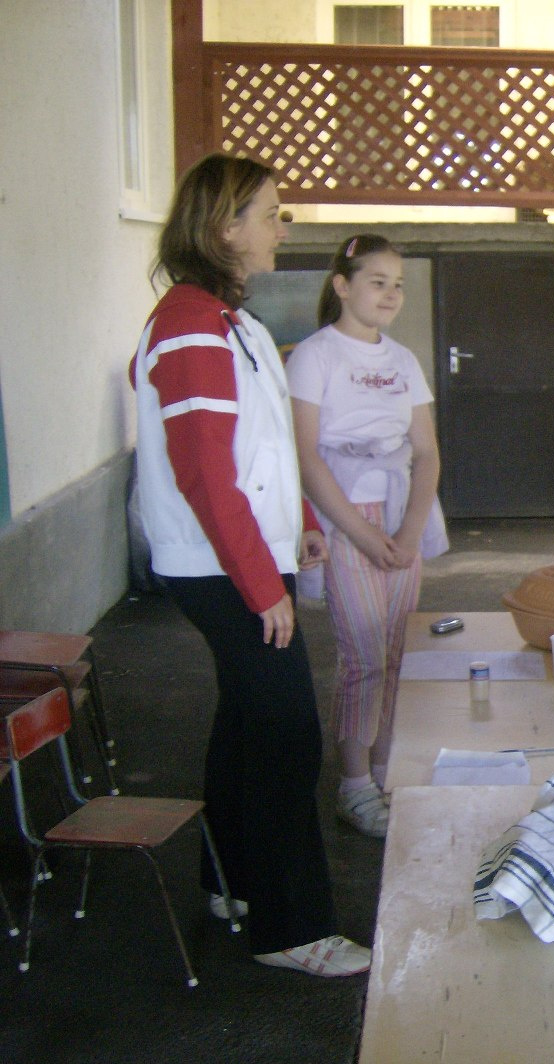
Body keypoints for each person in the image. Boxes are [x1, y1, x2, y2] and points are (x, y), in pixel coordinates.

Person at [130, 153, 371, 976]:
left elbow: (262, 445)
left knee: (247, 720)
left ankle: (231, 879)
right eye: (271, 212)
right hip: (218, 568)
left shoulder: (237, 323)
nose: (283, 224)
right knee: (284, 735)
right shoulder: (189, 325)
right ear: (224, 227)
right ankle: (290, 927)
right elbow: (204, 470)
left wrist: (299, 522)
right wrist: (262, 586)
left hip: (244, 558)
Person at [287, 234, 445, 837]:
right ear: (342, 286)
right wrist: (359, 534)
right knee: (364, 656)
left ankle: (387, 771)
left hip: (401, 519)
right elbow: (307, 457)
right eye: (376, 281)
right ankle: (354, 786)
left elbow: (426, 453)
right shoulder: (314, 356)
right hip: (342, 521)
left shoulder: (402, 361)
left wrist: (406, 533)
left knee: (400, 652)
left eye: (397, 283)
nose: (390, 294)